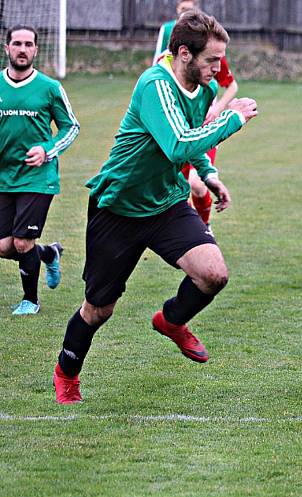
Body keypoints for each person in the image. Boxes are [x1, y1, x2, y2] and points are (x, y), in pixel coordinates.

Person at [52, 10, 258, 404]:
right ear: (184, 53)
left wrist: (208, 174)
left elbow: (194, 140)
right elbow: (178, 143)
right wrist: (233, 120)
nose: (220, 68)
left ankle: (172, 320)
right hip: (119, 208)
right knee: (98, 310)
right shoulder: (154, 84)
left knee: (213, 274)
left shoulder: (206, 89)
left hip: (166, 202)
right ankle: (67, 371)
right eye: (212, 60)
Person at [0, 25, 79, 315]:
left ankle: (30, 301)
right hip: (3, 178)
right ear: (7, 48)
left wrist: (47, 150)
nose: (22, 49)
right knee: (4, 246)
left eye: (28, 44)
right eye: (17, 43)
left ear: (35, 49)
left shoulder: (49, 88)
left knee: (21, 242)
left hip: (38, 177)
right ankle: (48, 253)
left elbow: (71, 127)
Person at [155, 0, 239, 228]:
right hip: (180, 131)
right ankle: (191, 230)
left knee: (198, 184)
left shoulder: (210, 52)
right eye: (182, 10)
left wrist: (218, 109)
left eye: (190, 11)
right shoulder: (163, 66)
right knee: (179, 188)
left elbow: (231, 85)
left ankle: (203, 229)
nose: (185, 15)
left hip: (202, 130)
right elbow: (156, 70)